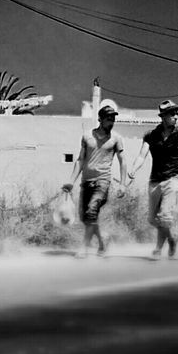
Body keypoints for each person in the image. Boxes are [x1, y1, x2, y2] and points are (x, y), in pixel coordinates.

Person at [130, 100, 178, 260]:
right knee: (153, 219)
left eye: (176, 113)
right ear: (163, 117)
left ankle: (158, 250)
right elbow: (141, 155)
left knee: (165, 215)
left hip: (174, 179)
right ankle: (172, 239)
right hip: (155, 180)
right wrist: (133, 169)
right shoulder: (151, 136)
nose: (176, 116)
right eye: (172, 114)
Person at [62, 100, 129, 258]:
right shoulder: (87, 137)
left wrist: (123, 184)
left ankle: (84, 248)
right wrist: (71, 181)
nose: (111, 122)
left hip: (103, 182)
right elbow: (80, 160)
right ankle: (102, 241)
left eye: (113, 119)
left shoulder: (116, 139)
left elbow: (123, 160)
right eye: (108, 119)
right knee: (86, 218)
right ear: (100, 119)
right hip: (86, 182)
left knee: (92, 211)